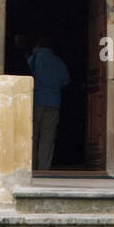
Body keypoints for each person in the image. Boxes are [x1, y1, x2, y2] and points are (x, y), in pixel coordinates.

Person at [28, 34, 70, 170]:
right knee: (48, 137)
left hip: (35, 101)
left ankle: (31, 166)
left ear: (38, 46)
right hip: (53, 102)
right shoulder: (58, 61)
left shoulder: (33, 59)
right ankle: (43, 169)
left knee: (32, 136)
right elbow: (66, 80)